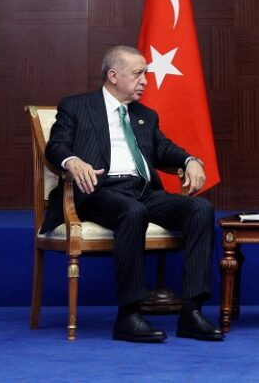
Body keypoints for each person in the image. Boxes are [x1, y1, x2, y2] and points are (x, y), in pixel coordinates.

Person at [41, 45, 223, 343]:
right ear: (113, 76)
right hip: (98, 192)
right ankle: (129, 315)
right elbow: (55, 146)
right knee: (132, 212)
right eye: (138, 74)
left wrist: (191, 161)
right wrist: (72, 161)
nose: (145, 82)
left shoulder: (145, 115)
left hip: (142, 190)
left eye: (146, 75)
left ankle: (192, 311)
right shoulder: (76, 107)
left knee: (200, 209)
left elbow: (164, 150)